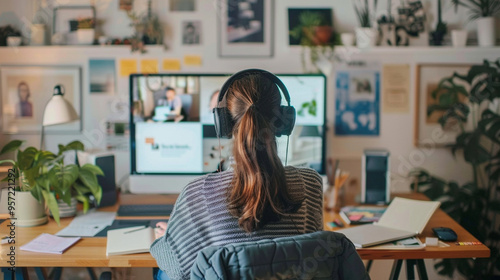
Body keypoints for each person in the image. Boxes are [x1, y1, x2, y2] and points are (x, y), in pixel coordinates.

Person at [150, 71, 324, 280]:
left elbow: (175, 268)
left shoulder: (197, 194)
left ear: (223, 122)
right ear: (284, 121)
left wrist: (172, 237)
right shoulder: (311, 183)